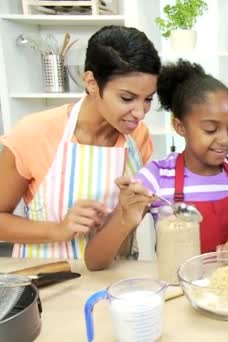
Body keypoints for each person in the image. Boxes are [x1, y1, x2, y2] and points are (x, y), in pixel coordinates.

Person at [85, 59, 228, 270]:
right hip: (176, 292)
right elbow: (94, 261)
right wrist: (125, 216)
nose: (225, 140)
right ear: (180, 127)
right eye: (211, 130)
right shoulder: (156, 178)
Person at [0, 26, 160, 259]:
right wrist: (58, 229)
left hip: (115, 276)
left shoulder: (138, 137)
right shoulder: (34, 132)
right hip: (47, 276)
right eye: (127, 98)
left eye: (148, 99)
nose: (140, 112)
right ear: (92, 83)